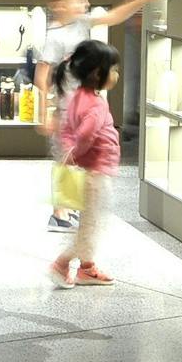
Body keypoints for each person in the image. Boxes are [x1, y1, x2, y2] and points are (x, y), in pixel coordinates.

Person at [35, 0, 161, 233]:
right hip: (66, 110)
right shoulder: (54, 36)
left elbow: (114, 16)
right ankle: (60, 212)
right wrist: (44, 112)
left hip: (84, 106)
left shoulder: (82, 23)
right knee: (65, 158)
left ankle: (70, 207)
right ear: (58, 5)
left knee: (80, 156)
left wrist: (143, 0)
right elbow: (42, 75)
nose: (86, 3)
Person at [47, 39, 123, 289]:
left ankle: (87, 268)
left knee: (91, 221)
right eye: (113, 69)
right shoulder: (96, 104)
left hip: (87, 171)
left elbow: (69, 130)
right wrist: (79, 152)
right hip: (95, 173)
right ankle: (62, 263)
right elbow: (86, 136)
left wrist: (71, 152)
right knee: (92, 225)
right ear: (97, 73)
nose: (117, 74)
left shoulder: (79, 97)